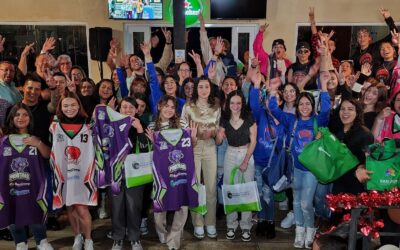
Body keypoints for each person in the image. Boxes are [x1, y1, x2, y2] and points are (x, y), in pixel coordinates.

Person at [268, 69, 330, 249]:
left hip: (311, 170)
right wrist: (273, 91)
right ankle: (299, 232)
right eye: (301, 104)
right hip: (295, 169)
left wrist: (324, 86)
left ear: (312, 105)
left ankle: (310, 231)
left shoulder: (318, 121)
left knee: (305, 203)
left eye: (307, 104)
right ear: (297, 106)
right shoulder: (291, 120)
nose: (304, 107)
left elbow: (325, 107)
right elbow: (273, 109)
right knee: (296, 201)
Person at [146, 95, 197, 250]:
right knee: (160, 201)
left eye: (172, 107)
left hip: (180, 169)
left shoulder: (181, 123)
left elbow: (189, 146)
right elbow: (152, 151)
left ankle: (174, 236)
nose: (169, 109)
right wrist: (154, 142)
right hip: (160, 171)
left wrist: (193, 137)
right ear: (159, 106)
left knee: (182, 203)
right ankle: (162, 232)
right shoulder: (151, 125)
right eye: (166, 106)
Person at [0, 103, 53, 250]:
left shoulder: (36, 137)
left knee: (36, 210)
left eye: (25, 115)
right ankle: (20, 242)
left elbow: (48, 154)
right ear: (11, 119)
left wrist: (39, 143)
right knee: (13, 210)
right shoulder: (3, 141)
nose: (21, 118)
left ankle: (41, 240)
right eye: (17, 115)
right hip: (11, 186)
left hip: (34, 185)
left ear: (30, 118)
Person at [49, 92, 96, 250]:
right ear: (60, 108)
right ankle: (77, 237)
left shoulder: (88, 124)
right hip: (64, 173)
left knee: (82, 207)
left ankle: (88, 239)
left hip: (83, 173)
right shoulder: (55, 125)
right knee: (69, 206)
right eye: (66, 105)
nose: (69, 108)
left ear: (79, 105)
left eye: (73, 105)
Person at [181, 76, 221, 239]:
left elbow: (218, 129)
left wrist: (215, 133)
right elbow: (183, 129)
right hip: (193, 148)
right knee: (195, 185)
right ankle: (198, 223)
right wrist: (193, 137)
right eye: (201, 87)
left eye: (207, 87)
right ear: (196, 89)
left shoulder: (216, 107)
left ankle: (210, 222)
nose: (204, 90)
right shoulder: (188, 107)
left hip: (210, 147)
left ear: (210, 89)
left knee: (211, 186)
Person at [109, 97, 150, 250]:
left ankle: (134, 237)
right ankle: (118, 237)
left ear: (136, 110)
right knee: (116, 206)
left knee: (134, 206)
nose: (127, 110)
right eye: (124, 107)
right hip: (115, 171)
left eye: (131, 107)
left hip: (135, 172)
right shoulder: (112, 124)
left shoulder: (141, 124)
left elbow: (146, 150)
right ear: (119, 109)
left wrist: (139, 130)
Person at [216, 90, 257, 241]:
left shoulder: (249, 117)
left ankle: (246, 226)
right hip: (230, 154)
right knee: (230, 189)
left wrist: (246, 160)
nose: (235, 106)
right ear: (228, 104)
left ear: (242, 103)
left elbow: (254, 141)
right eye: (232, 102)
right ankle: (231, 225)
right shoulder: (224, 118)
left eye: (238, 103)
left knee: (247, 190)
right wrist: (218, 135)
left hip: (247, 153)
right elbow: (218, 142)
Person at [249, 71, 285, 239]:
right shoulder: (261, 115)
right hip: (258, 161)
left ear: (280, 102)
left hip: (273, 165)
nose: (272, 102)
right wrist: (256, 86)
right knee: (259, 193)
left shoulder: (285, 119)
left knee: (268, 194)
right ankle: (261, 220)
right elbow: (254, 105)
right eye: (271, 99)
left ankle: (269, 223)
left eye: (276, 99)